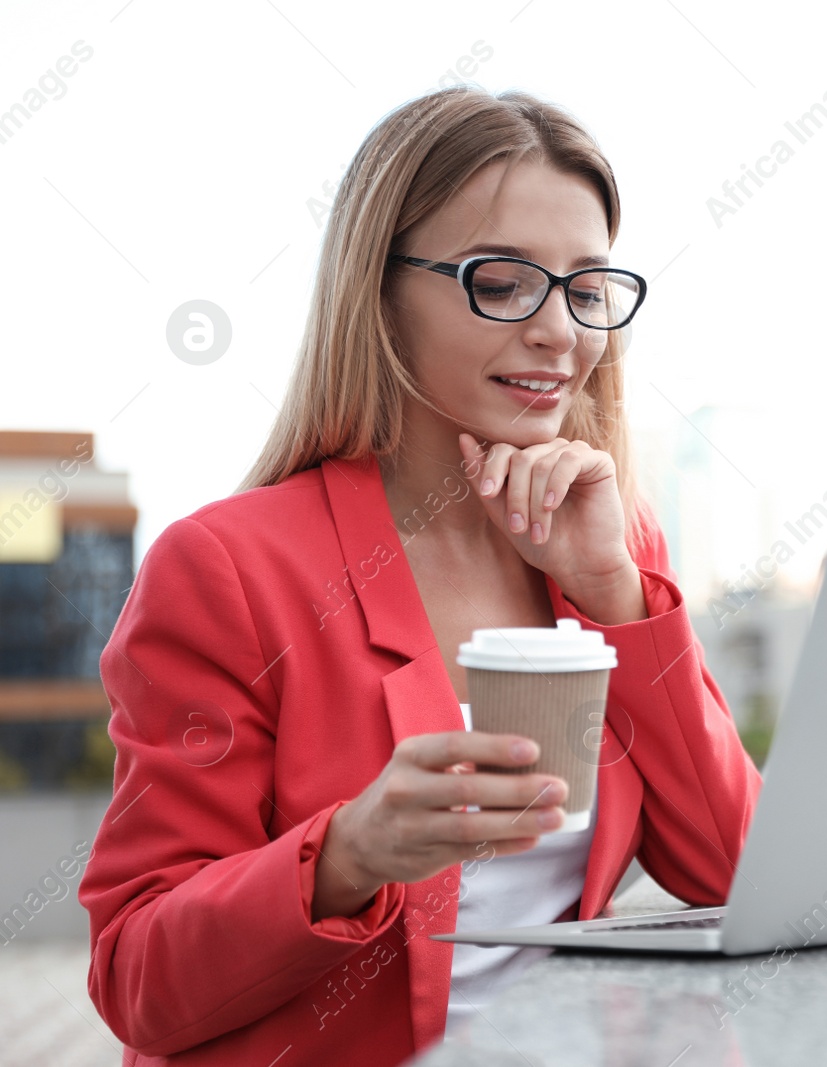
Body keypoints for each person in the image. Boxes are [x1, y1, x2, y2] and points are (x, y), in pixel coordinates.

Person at [79, 85, 762, 1066]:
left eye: (585, 287)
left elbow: (732, 868)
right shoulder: (227, 567)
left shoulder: (611, 549)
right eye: (501, 280)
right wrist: (347, 853)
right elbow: (136, 975)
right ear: (381, 291)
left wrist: (616, 594)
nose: (560, 333)